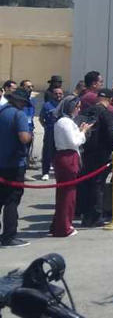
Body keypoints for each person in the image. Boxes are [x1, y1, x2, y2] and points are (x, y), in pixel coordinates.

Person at [50, 96, 92, 237]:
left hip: (66, 156)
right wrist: (83, 132)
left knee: (65, 194)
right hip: (68, 157)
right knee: (68, 195)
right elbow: (74, 141)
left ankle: (58, 224)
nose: (79, 110)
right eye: (77, 107)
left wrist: (79, 131)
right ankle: (64, 227)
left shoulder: (64, 121)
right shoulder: (65, 122)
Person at [78, 88, 113, 228]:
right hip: (101, 154)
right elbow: (111, 134)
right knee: (97, 185)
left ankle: (84, 214)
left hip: (86, 152)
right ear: (110, 100)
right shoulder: (105, 113)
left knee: (86, 183)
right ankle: (95, 217)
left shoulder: (87, 111)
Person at [0, 89, 34, 247]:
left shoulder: (2, 112)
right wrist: (30, 135)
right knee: (12, 200)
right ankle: (9, 236)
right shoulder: (19, 115)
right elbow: (24, 137)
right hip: (14, 164)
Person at [40, 87, 64, 180]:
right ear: (52, 95)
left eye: (60, 93)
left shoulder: (65, 105)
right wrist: (46, 127)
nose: (58, 95)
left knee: (61, 152)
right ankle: (45, 172)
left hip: (62, 132)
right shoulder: (47, 105)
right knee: (47, 152)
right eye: (56, 93)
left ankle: (59, 171)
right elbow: (41, 118)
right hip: (50, 132)